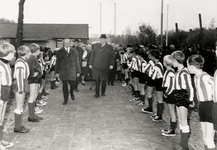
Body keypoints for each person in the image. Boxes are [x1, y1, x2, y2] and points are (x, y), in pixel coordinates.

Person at [188, 54, 216, 150]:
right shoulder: (196, 77)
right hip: (202, 106)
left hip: (210, 106)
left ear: (192, 66)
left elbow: (214, 83)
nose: (187, 68)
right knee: (204, 138)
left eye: (187, 65)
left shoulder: (205, 77)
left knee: (209, 139)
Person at [171, 50, 195, 150]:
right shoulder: (178, 71)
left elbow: (190, 87)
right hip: (177, 95)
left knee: (184, 120)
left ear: (176, 61)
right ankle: (182, 143)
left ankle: (185, 146)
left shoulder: (184, 72)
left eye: (172, 60)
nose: (171, 63)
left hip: (183, 96)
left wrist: (191, 100)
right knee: (180, 119)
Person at [55, 39, 81, 105]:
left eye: (68, 43)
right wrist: (57, 72)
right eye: (65, 43)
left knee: (73, 84)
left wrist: (78, 71)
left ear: (70, 43)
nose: (67, 44)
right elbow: (57, 62)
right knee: (64, 86)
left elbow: (77, 61)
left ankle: (71, 92)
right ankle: (65, 99)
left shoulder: (74, 51)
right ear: (63, 44)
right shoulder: (59, 51)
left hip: (72, 70)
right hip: (63, 71)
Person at [0, 42, 15, 149]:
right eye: (13, 53)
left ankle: (0, 140)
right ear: (9, 54)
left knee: (1, 119)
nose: (14, 55)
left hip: (6, 92)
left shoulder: (6, 64)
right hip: (1, 93)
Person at [13, 45, 31, 133]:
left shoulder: (22, 61)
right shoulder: (20, 63)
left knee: (21, 105)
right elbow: (19, 76)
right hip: (20, 84)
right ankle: (17, 127)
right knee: (19, 106)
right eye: (29, 52)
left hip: (23, 83)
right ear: (26, 53)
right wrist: (21, 89)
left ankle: (19, 125)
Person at [27, 43, 43, 121]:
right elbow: (30, 67)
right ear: (37, 50)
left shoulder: (34, 57)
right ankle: (31, 116)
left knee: (34, 96)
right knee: (32, 96)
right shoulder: (32, 58)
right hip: (32, 79)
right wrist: (33, 74)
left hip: (35, 79)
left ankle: (33, 114)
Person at [161, 55, 177, 136]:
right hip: (167, 91)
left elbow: (171, 85)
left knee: (172, 111)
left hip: (170, 92)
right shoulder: (168, 70)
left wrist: (167, 93)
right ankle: (170, 127)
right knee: (170, 111)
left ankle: (172, 129)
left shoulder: (170, 72)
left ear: (165, 63)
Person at [149, 49, 164, 122]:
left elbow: (152, 76)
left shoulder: (157, 65)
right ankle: (158, 114)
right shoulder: (158, 63)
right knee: (159, 98)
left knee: (159, 98)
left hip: (159, 81)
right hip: (158, 81)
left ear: (153, 56)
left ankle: (159, 115)